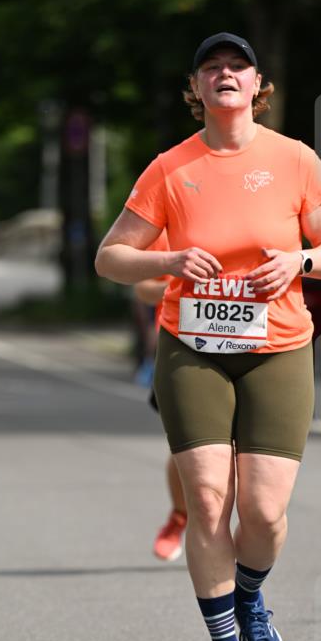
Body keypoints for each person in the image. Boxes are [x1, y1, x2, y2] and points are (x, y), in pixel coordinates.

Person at [96, 32, 321, 641]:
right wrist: (167, 260)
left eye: (235, 65)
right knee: (208, 499)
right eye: (210, 68)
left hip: (278, 348)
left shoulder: (295, 160)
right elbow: (109, 257)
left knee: (262, 513)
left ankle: (249, 598)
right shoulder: (169, 168)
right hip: (192, 348)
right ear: (198, 89)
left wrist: (297, 260)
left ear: (256, 83)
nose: (224, 75)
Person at [132, 230, 187, 562]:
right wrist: (179, 286)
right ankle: (178, 519)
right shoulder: (167, 227)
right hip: (180, 345)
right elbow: (142, 287)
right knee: (188, 446)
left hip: (250, 347)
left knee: (240, 451)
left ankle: (237, 533)